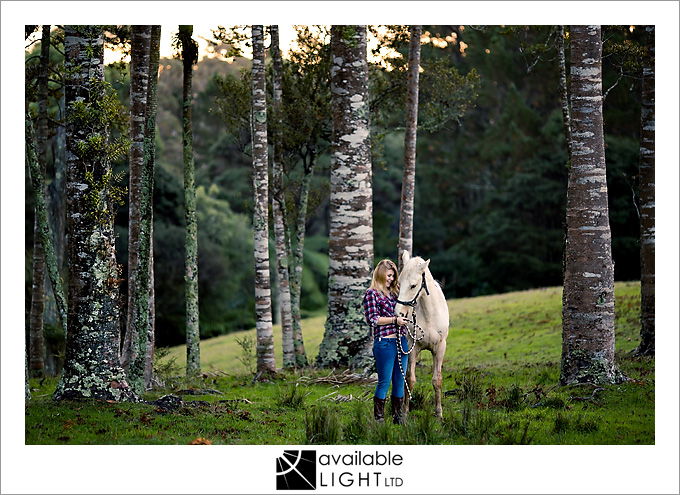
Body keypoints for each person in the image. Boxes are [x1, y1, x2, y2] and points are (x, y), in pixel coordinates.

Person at [362, 259, 409, 424]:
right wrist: (394, 320)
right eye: (389, 275)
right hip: (384, 344)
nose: (391, 279)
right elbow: (373, 319)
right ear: (381, 274)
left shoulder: (396, 293)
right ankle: (379, 419)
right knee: (384, 381)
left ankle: (398, 418)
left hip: (401, 342)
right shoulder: (372, 294)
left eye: (393, 276)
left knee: (399, 381)